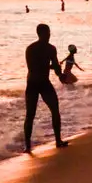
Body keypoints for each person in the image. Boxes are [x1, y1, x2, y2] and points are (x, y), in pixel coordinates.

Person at [24, 23, 67, 152]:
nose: (48, 35)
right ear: (40, 34)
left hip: (44, 82)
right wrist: (52, 67)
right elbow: (32, 67)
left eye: (49, 33)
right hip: (33, 83)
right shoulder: (31, 49)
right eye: (46, 33)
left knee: (55, 109)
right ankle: (27, 146)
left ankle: (58, 140)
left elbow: (55, 65)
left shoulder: (51, 49)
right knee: (30, 114)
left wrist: (60, 75)